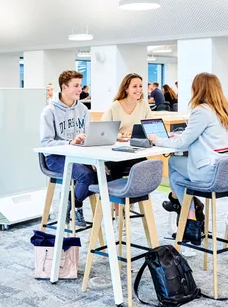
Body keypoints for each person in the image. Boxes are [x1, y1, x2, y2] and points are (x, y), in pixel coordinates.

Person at [148, 73, 228, 243]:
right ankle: (188, 217)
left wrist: (157, 140)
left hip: (210, 172)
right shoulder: (223, 110)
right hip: (227, 171)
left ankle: (186, 213)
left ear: (198, 89)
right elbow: (208, 138)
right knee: (177, 175)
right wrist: (182, 139)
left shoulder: (201, 111)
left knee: (173, 163)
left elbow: (183, 144)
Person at [40, 70, 95, 227]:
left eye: (80, 85)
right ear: (64, 87)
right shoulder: (49, 111)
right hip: (55, 157)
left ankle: (70, 199)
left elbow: (89, 134)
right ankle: (75, 206)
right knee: (85, 176)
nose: (80, 89)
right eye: (76, 86)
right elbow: (46, 143)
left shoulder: (82, 109)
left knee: (103, 175)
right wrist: (69, 143)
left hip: (80, 155)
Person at [100, 73, 150, 179]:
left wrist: (135, 134)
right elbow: (102, 131)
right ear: (126, 88)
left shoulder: (144, 104)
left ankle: (139, 195)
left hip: (135, 150)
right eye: (135, 86)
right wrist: (121, 134)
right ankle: (116, 195)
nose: (139, 89)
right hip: (116, 151)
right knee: (114, 167)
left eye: (140, 86)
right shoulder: (115, 106)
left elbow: (150, 126)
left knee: (144, 166)